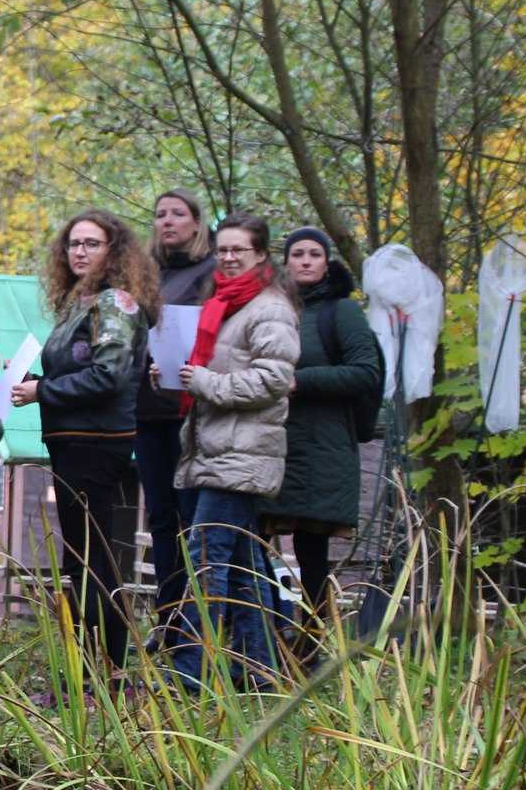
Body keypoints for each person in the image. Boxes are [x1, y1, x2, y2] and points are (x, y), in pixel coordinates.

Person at [10, 210, 158, 674]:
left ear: (113, 251)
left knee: (94, 560)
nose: (80, 252)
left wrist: (43, 391)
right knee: (81, 559)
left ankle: (104, 673)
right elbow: (80, 368)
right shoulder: (82, 302)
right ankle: (85, 673)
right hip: (71, 441)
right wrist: (38, 381)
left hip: (97, 442)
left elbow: (109, 375)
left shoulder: (116, 303)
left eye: (92, 244)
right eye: (74, 243)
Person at [159, 214, 301, 691]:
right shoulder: (223, 305)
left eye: (239, 249)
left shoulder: (270, 308)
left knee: (206, 558)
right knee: (243, 565)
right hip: (215, 448)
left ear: (261, 254)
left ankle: (192, 671)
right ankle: (259, 672)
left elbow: (275, 379)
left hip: (244, 451)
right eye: (222, 250)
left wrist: (206, 383)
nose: (229, 257)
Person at [260, 226, 383, 657]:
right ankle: (265, 638)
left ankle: (309, 648)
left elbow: (365, 371)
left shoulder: (341, 312)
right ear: (286, 261)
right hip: (271, 443)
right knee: (254, 545)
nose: (306, 261)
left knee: (312, 553)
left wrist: (299, 381)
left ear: (327, 261)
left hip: (320, 448)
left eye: (315, 254)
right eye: (298, 254)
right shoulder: (272, 308)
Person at [136, 189, 218, 646]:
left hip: (193, 411)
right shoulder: (146, 275)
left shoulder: (211, 273)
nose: (167, 221)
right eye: (160, 214)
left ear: (196, 222)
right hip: (150, 410)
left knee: (193, 517)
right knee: (161, 518)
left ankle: (197, 622)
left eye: (177, 214)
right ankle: (167, 620)